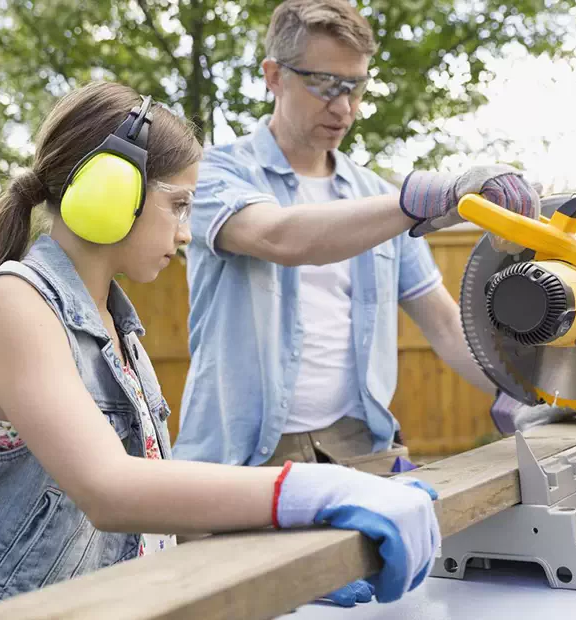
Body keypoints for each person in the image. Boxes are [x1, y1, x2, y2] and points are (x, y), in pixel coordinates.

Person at [0, 81, 441, 619]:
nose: (187, 233)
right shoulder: (15, 303)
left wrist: (291, 552)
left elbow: (146, 528)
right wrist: (317, 490)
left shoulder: (120, 332)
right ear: (110, 190)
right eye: (179, 205)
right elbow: (110, 489)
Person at [174, 0, 544, 476]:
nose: (344, 106)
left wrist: (528, 392)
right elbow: (282, 238)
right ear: (273, 76)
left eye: (356, 87)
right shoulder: (216, 173)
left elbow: (447, 326)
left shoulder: (375, 197)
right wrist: (428, 198)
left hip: (359, 446)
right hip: (240, 457)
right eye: (325, 84)